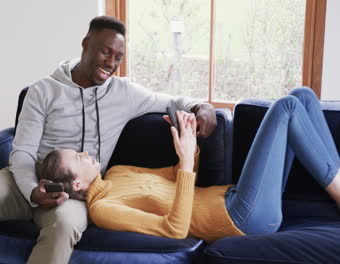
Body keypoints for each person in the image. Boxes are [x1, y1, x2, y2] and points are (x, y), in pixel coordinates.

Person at [0, 16, 217, 264]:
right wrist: (32, 190)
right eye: (106, 52)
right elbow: (21, 152)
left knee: (65, 226)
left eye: (118, 57)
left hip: (74, 191)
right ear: (86, 44)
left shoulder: (124, 93)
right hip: (26, 176)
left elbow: (178, 100)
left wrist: (203, 108)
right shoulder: (43, 91)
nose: (111, 63)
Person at [40, 87, 340, 242]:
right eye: (78, 159)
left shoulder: (117, 172)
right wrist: (184, 160)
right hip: (241, 220)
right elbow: (175, 229)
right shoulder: (103, 210)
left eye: (79, 151)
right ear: (76, 184)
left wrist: (188, 144)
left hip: (235, 197)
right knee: (285, 107)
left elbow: (177, 177)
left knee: (303, 96)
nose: (84, 153)